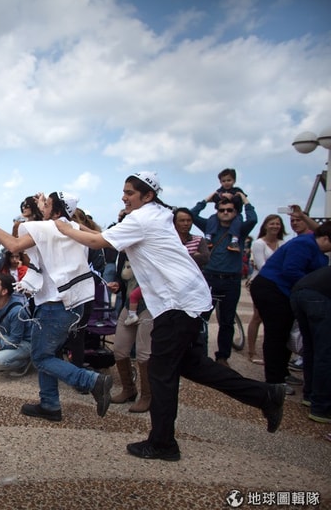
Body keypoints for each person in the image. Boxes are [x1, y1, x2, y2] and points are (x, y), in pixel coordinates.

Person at [53, 171, 286, 461]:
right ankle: (265, 395)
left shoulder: (142, 219)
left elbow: (98, 241)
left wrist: (62, 227)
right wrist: (71, 224)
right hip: (187, 300)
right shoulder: (155, 214)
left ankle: (163, 443)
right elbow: (101, 235)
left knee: (161, 373)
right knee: (192, 365)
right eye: (124, 192)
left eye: (129, 193)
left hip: (177, 304)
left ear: (148, 195)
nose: (124, 197)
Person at [0, 191, 112, 422]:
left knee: (40, 357)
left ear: (56, 210)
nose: (42, 206)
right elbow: (95, 234)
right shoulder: (73, 227)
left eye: (46, 204)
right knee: (49, 353)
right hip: (72, 303)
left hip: (55, 306)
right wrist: (44, 205)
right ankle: (49, 404)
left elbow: (14, 245)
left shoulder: (50, 228)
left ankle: (91, 381)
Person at [250, 222, 331, 394]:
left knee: (285, 332)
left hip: (286, 293)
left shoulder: (317, 249)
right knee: (276, 334)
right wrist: (312, 287)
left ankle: (282, 372)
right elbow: (291, 270)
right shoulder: (304, 244)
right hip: (272, 289)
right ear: (325, 238)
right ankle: (274, 381)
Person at [191, 192, 257, 366]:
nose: (225, 212)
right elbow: (192, 214)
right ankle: (200, 355)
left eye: (229, 210)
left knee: (227, 321)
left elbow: (253, 219)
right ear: (217, 211)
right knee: (201, 318)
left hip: (231, 280)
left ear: (236, 212)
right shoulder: (209, 227)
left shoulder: (240, 230)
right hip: (210, 278)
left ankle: (222, 357)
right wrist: (207, 198)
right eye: (222, 210)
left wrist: (243, 198)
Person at [107, 251, 153, 412]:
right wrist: (117, 285)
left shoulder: (151, 251)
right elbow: (123, 280)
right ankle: (129, 389)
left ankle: (147, 396)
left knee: (143, 353)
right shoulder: (123, 254)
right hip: (129, 305)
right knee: (119, 349)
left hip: (149, 306)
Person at [290, 266, 331, 424]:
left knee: (311, 349)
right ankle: (321, 407)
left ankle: (309, 395)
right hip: (320, 298)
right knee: (325, 354)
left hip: (299, 293)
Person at [246, 215, 287, 365]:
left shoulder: (283, 243)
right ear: (265, 226)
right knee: (257, 316)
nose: (275, 226)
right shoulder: (259, 243)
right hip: (261, 282)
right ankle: (252, 351)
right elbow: (262, 266)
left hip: (279, 284)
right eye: (272, 223)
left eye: (277, 224)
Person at [203, 168, 247, 252]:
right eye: (223, 181)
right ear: (220, 182)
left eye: (229, 180)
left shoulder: (237, 190)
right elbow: (214, 198)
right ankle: (208, 238)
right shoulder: (219, 191)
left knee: (238, 221)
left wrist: (232, 197)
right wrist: (222, 196)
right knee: (212, 219)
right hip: (220, 215)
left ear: (234, 181)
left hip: (235, 214)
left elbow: (241, 199)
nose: (226, 183)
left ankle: (234, 241)